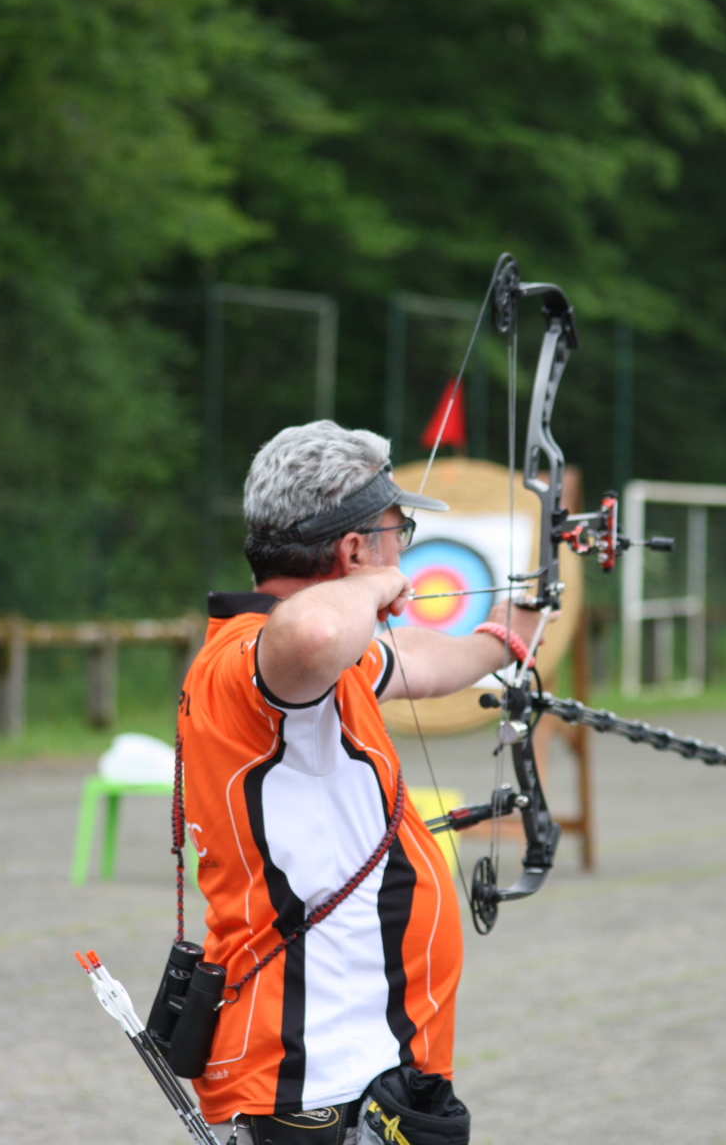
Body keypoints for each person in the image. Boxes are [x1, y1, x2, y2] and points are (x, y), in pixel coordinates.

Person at [178, 421, 547, 1144]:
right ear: (352, 550)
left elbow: (415, 660)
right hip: (308, 1069)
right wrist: (377, 583)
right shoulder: (260, 657)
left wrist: (507, 635)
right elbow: (314, 634)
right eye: (396, 532)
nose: (402, 551)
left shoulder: (313, 668)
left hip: (357, 1054)